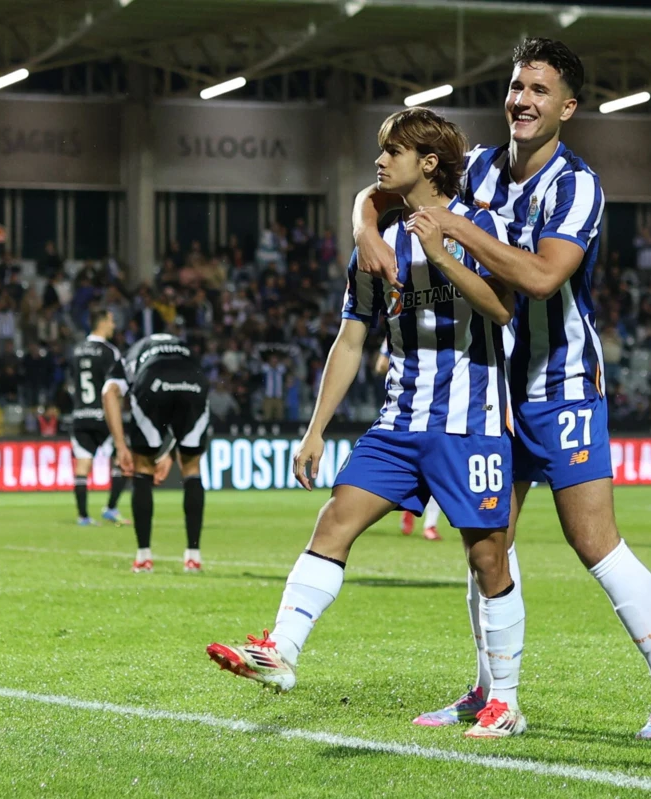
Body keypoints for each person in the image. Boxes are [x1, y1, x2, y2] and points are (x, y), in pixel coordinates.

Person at [353, 38, 651, 739]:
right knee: (486, 541)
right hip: (489, 387)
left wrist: (455, 226)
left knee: (593, 539)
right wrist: (364, 222)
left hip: (560, 383)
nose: (523, 100)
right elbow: (389, 183)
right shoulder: (479, 165)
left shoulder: (577, 185)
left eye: (540, 90)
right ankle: (489, 691)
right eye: (517, 86)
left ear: (567, 107)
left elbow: (543, 278)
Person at [207, 108, 525, 739]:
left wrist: (442, 255)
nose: (379, 161)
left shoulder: (482, 225)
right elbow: (351, 340)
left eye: (393, 151)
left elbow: (503, 308)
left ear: (427, 163)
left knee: (489, 559)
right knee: (334, 521)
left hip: (472, 422)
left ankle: (505, 702)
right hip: (399, 422)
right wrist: (316, 428)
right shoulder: (377, 243)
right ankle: (281, 651)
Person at [103, 333, 210, 573]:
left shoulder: (132, 353)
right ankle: (193, 557)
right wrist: (171, 454)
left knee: (143, 467)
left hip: (152, 379)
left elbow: (109, 392)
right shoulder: (185, 349)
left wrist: (121, 446)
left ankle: (144, 557)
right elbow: (184, 395)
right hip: (193, 381)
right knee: (191, 467)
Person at [373, 336, 444, 541]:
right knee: (430, 468)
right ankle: (415, 508)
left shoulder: (397, 331)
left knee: (432, 468)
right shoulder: (440, 332)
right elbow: (380, 366)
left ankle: (425, 520)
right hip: (420, 410)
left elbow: (380, 366)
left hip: (417, 410)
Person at [68, 309, 128, 527]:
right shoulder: (109, 351)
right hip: (104, 416)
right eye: (111, 321)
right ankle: (111, 508)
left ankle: (83, 517)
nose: (114, 326)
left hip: (80, 415)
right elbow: (116, 387)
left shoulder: (76, 350)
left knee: (83, 465)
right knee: (122, 458)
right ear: (101, 323)